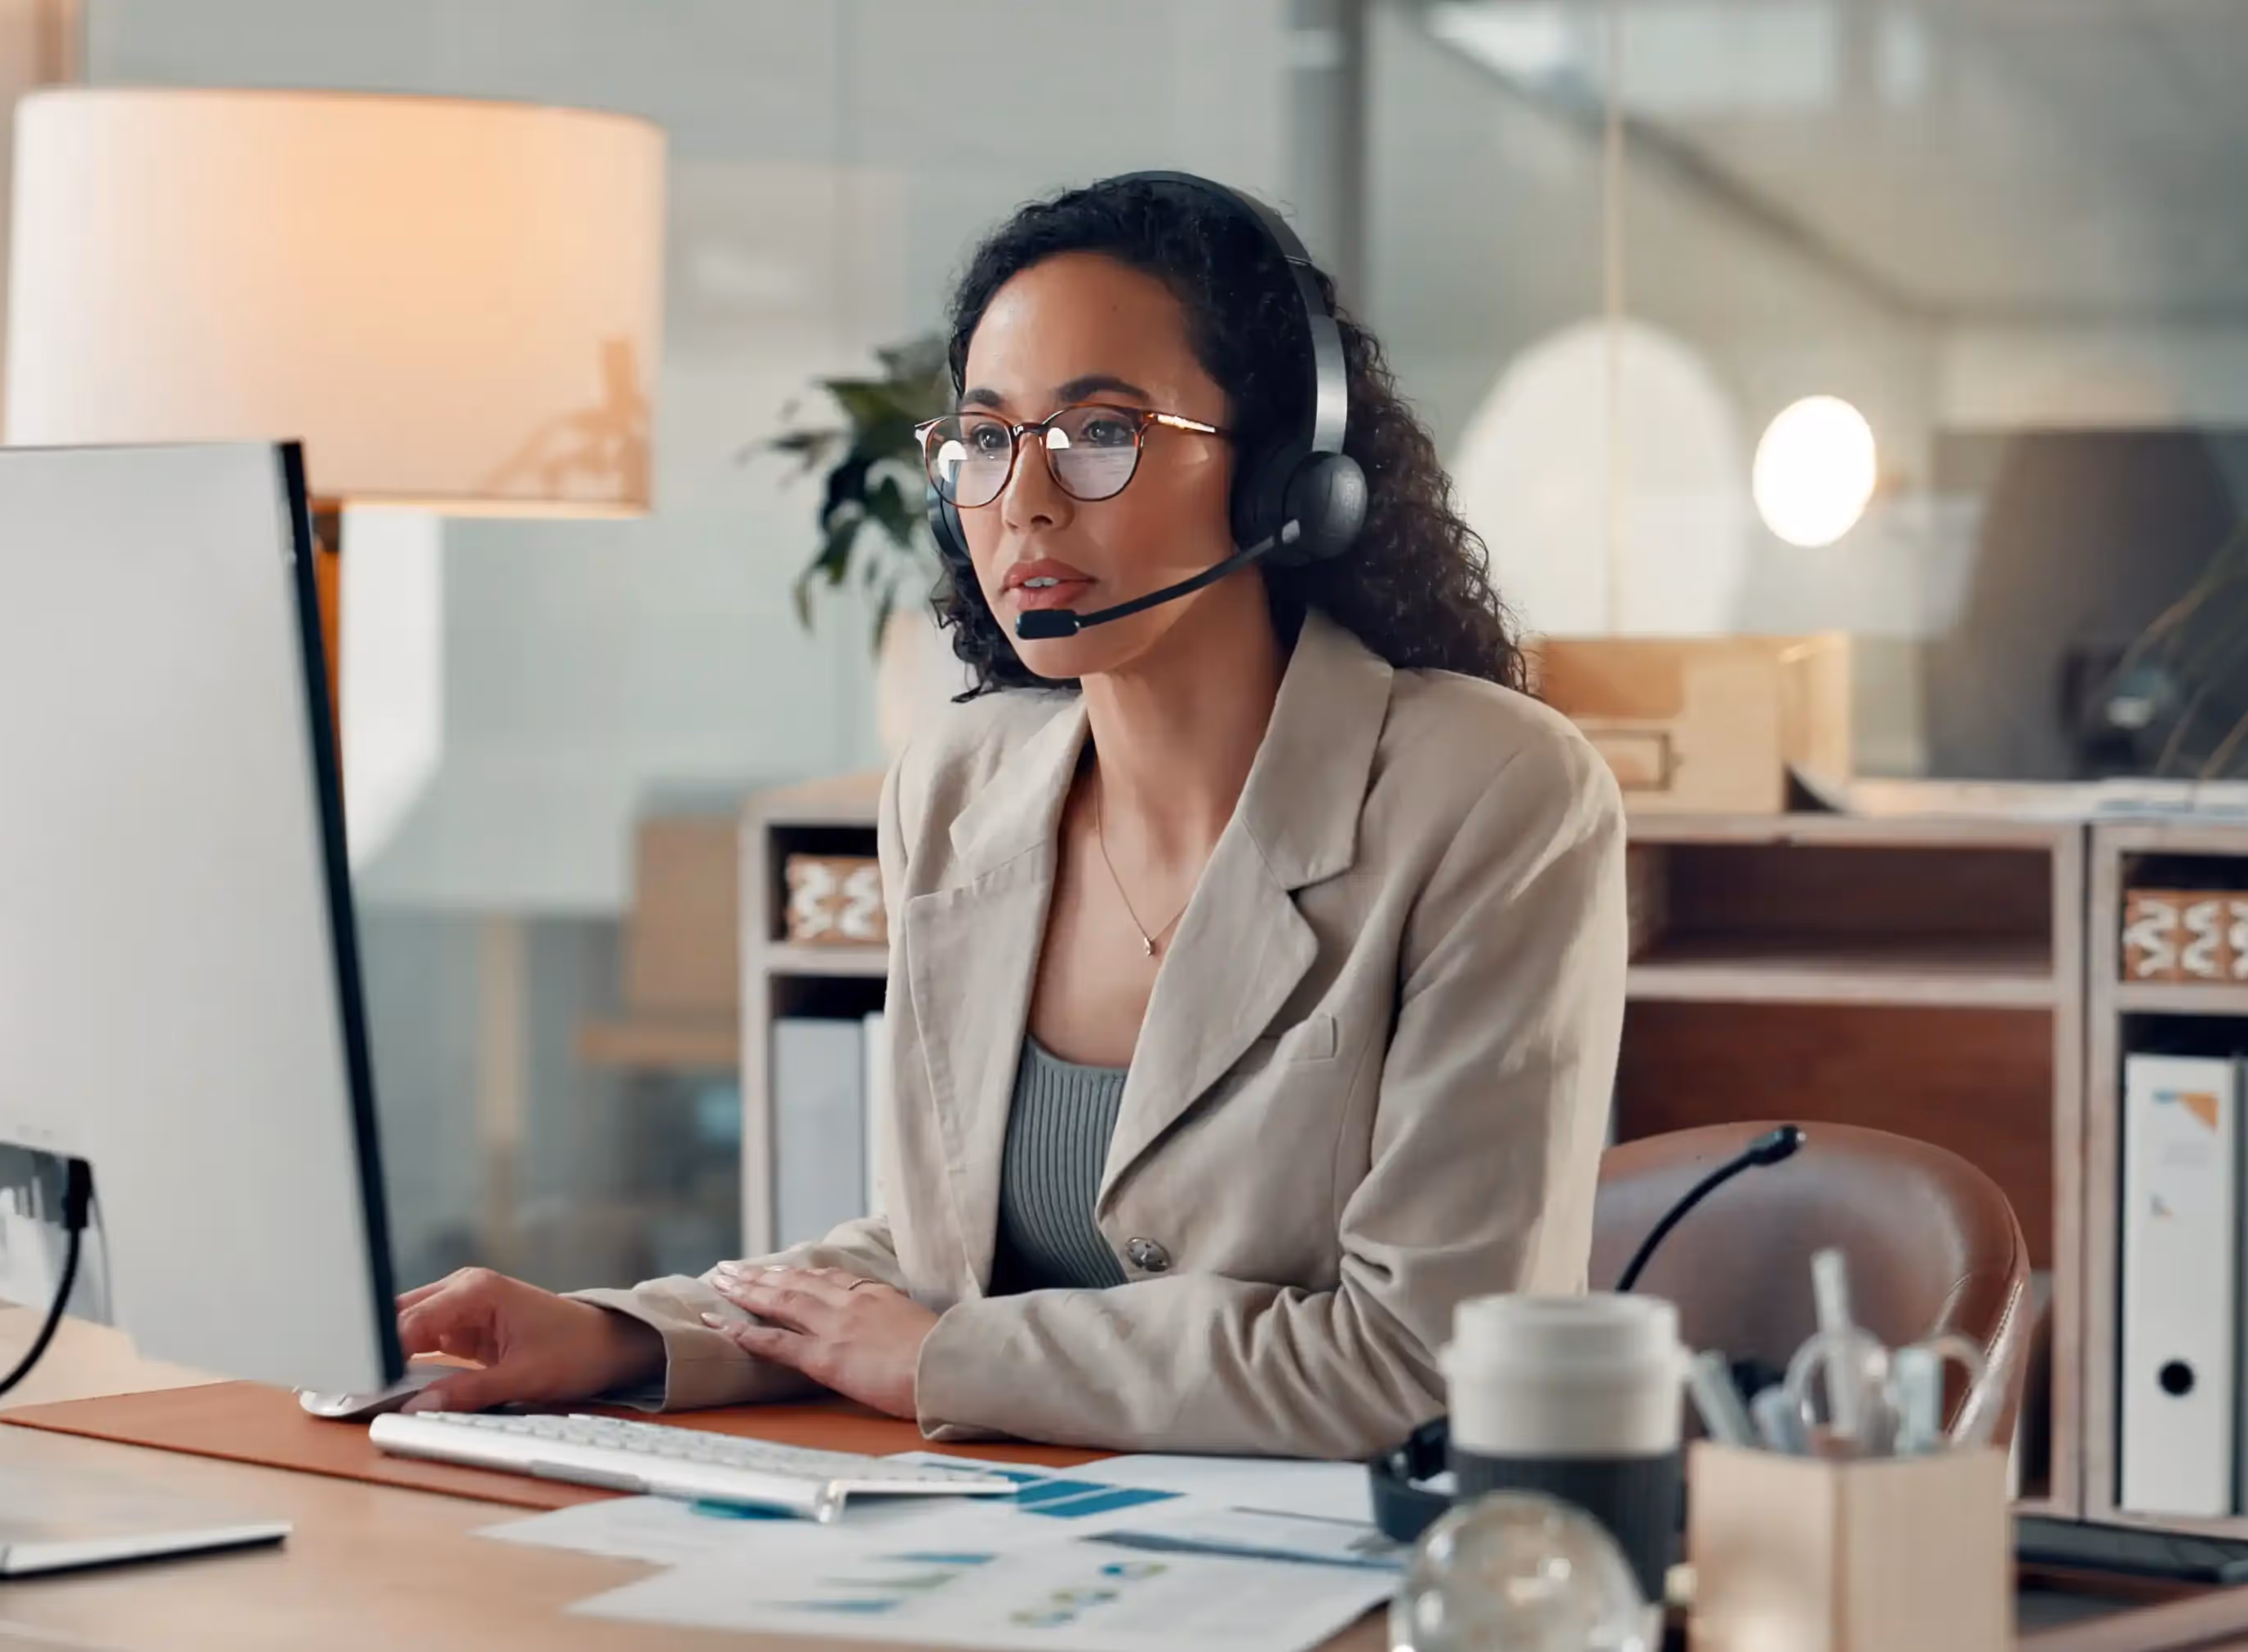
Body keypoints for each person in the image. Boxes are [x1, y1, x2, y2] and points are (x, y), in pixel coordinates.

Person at [392, 174, 1628, 1459]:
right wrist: (624, 1340)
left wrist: (947, 1361)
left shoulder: (1493, 796)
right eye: (985, 440)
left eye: (1099, 432)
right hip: (1007, 1527)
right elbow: (927, 1262)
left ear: (1278, 473)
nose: (1026, 500)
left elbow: (1426, 1358)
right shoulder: (959, 787)